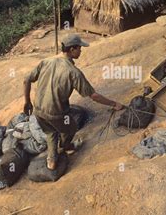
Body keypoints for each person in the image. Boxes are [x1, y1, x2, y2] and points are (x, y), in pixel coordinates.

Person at [23, 33, 124, 170]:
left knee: (51, 132)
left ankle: (51, 161)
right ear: (71, 50)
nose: (81, 50)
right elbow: (93, 96)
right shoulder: (74, 72)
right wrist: (114, 104)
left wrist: (27, 102)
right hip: (57, 114)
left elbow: (26, 79)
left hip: (38, 111)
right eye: (79, 48)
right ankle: (65, 146)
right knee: (71, 128)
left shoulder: (46, 61)